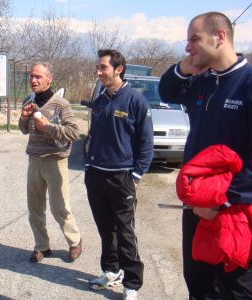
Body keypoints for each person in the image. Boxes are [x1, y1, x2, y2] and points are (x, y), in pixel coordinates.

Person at [159, 11, 252, 299]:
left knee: (236, 288)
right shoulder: (203, 82)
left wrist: (222, 201)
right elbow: (167, 91)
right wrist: (184, 67)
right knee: (198, 283)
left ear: (220, 36)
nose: (188, 47)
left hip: (235, 210)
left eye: (195, 39)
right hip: (197, 207)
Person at [85, 49, 154, 300]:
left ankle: (132, 284)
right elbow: (94, 137)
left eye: (103, 67)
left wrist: (136, 175)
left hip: (122, 177)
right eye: (98, 67)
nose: (99, 72)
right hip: (96, 175)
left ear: (118, 69)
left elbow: (146, 144)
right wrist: (88, 167)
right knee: (106, 230)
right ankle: (111, 271)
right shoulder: (101, 99)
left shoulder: (135, 101)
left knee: (125, 232)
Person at [18, 62, 82, 263]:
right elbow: (24, 129)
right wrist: (23, 117)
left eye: (38, 76)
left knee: (59, 207)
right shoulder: (28, 100)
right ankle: (42, 247)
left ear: (49, 79)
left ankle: (75, 241)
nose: (33, 80)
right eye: (31, 76)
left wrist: (49, 128)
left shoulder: (60, 104)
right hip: (34, 161)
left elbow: (74, 132)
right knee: (35, 207)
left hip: (56, 161)